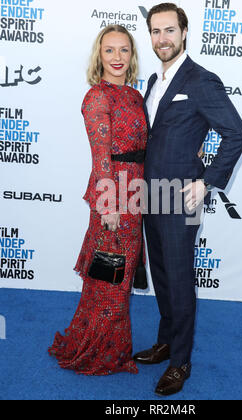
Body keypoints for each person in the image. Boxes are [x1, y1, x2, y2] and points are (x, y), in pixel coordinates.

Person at [133, 3, 242, 396]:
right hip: (151, 194)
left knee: (180, 280)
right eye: (155, 31)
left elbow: (236, 134)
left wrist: (207, 182)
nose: (161, 38)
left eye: (169, 30)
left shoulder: (201, 80)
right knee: (163, 276)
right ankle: (166, 342)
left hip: (181, 196)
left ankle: (180, 362)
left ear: (184, 32)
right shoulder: (154, 80)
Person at [49, 25, 147, 375]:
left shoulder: (135, 96)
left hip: (136, 195)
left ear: (132, 56)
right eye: (110, 50)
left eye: (124, 50)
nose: (117, 58)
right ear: (99, 55)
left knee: (117, 277)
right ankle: (96, 352)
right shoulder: (97, 97)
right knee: (110, 278)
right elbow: (101, 156)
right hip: (114, 198)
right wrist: (108, 205)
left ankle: (109, 347)